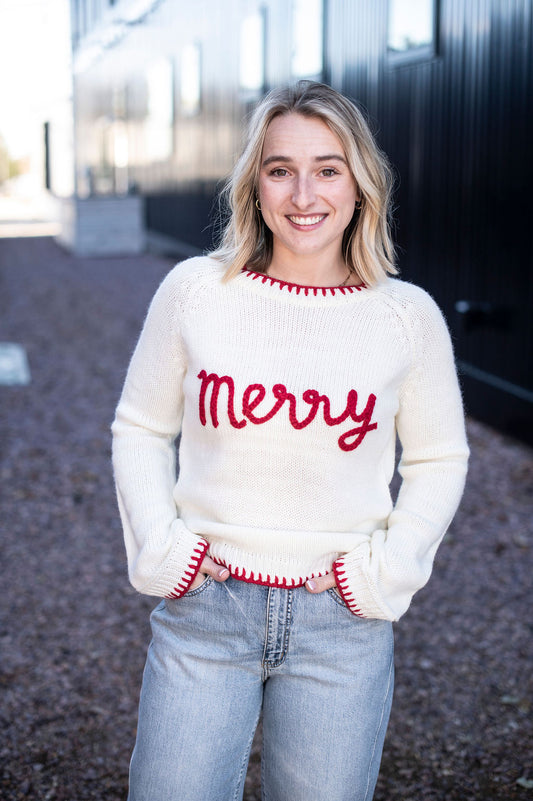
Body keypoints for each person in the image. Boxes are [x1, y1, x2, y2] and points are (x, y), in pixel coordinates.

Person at [111, 81, 469, 801]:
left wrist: (382, 573)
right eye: (280, 169)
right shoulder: (196, 291)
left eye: (327, 168)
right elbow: (141, 428)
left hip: (340, 625)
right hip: (205, 614)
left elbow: (437, 458)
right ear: (255, 182)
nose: (303, 192)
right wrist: (163, 549)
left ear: (359, 183)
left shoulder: (406, 316)